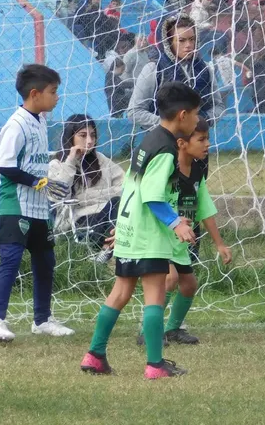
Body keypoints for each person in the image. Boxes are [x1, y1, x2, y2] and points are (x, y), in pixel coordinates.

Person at [80, 81, 201, 379]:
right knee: (155, 295)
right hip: (148, 233)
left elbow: (133, 188)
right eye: (197, 115)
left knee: (120, 292)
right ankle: (155, 364)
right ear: (183, 115)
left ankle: (95, 355)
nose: (198, 120)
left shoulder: (149, 140)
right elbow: (152, 194)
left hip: (129, 228)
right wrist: (176, 223)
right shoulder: (166, 149)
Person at [0, 64, 75, 344]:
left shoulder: (40, 120)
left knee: (45, 260)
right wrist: (38, 182)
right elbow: (4, 166)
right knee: (10, 260)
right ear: (34, 94)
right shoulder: (16, 125)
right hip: (15, 205)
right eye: (53, 92)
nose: (57, 97)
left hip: (38, 207)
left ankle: (43, 319)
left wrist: (43, 184)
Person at [158, 117, 232, 345]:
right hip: (159, 238)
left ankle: (173, 329)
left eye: (207, 138)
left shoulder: (198, 171)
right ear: (182, 143)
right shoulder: (166, 168)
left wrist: (220, 244)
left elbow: (204, 209)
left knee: (189, 285)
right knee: (169, 279)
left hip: (180, 242)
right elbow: (151, 200)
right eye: (201, 139)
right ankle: (149, 329)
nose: (207, 144)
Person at [47, 114, 124, 247]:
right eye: (83, 135)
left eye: (93, 135)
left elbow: (126, 186)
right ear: (70, 136)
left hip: (108, 212)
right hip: (78, 220)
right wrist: (70, 162)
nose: (89, 141)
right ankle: (104, 250)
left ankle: (105, 251)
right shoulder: (56, 164)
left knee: (119, 204)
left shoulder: (101, 160)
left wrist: (85, 197)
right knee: (115, 205)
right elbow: (58, 196)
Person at [128, 15, 214, 131]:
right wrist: (169, 125)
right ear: (169, 43)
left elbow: (219, 106)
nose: (188, 45)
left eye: (192, 39)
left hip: (195, 142)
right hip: (164, 141)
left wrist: (204, 119)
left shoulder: (205, 69)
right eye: (181, 40)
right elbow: (134, 111)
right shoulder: (154, 69)